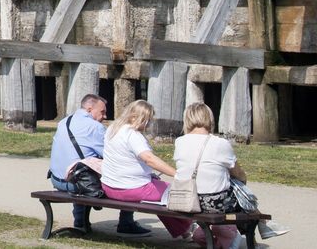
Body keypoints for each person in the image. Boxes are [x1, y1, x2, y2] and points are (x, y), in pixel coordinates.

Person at [173, 102, 270, 249]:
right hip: (213, 202)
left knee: (234, 193)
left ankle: (231, 234)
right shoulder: (220, 143)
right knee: (240, 192)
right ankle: (252, 231)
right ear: (210, 119)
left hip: (185, 199)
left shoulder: (179, 142)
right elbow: (239, 175)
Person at [48, 94, 139, 234]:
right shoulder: (94, 127)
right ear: (89, 109)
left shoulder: (64, 122)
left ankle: (79, 220)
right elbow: (112, 155)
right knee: (131, 179)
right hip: (75, 182)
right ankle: (126, 223)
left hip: (57, 179)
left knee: (80, 169)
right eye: (102, 112)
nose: (105, 116)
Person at [100, 100, 189, 239]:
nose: (148, 125)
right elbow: (149, 159)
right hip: (131, 189)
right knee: (172, 193)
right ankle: (187, 228)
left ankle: (183, 230)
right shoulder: (133, 135)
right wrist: (176, 174)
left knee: (160, 193)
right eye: (146, 120)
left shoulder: (112, 129)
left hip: (109, 186)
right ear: (135, 117)